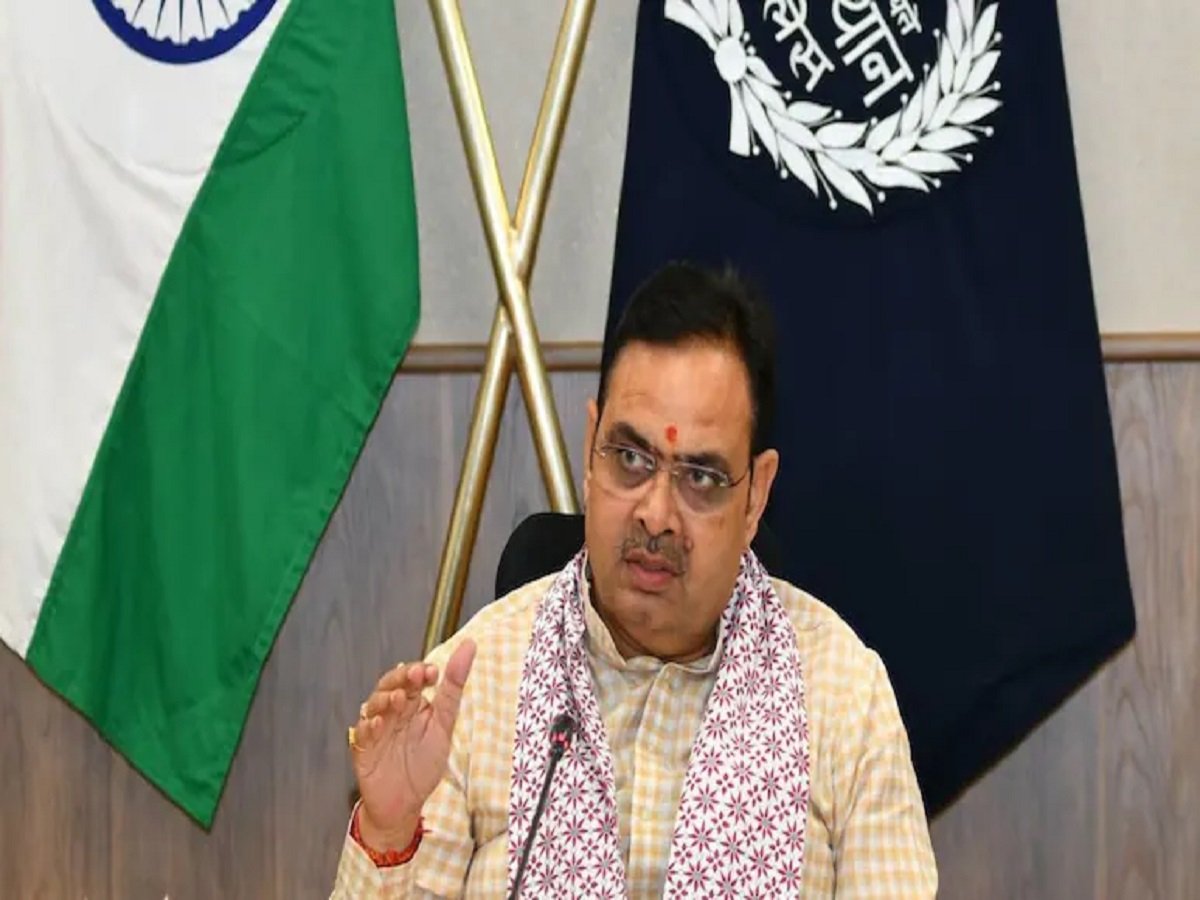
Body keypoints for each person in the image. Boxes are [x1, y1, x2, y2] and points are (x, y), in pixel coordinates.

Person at [331, 263, 937, 898]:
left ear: (756, 495)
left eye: (700, 476)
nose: (656, 514)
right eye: (629, 457)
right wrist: (389, 832)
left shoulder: (843, 695)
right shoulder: (472, 686)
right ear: (590, 450)